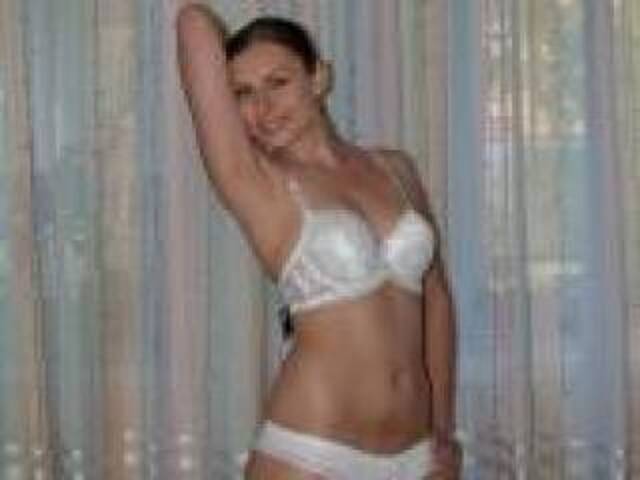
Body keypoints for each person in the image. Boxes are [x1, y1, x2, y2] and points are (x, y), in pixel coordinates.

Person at [176, 5, 460, 479]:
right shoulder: (257, 184)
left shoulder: (396, 169)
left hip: (416, 454)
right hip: (311, 453)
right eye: (243, 93)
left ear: (319, 78)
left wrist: (443, 431)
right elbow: (192, 23)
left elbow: (436, 300)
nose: (263, 107)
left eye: (278, 82)